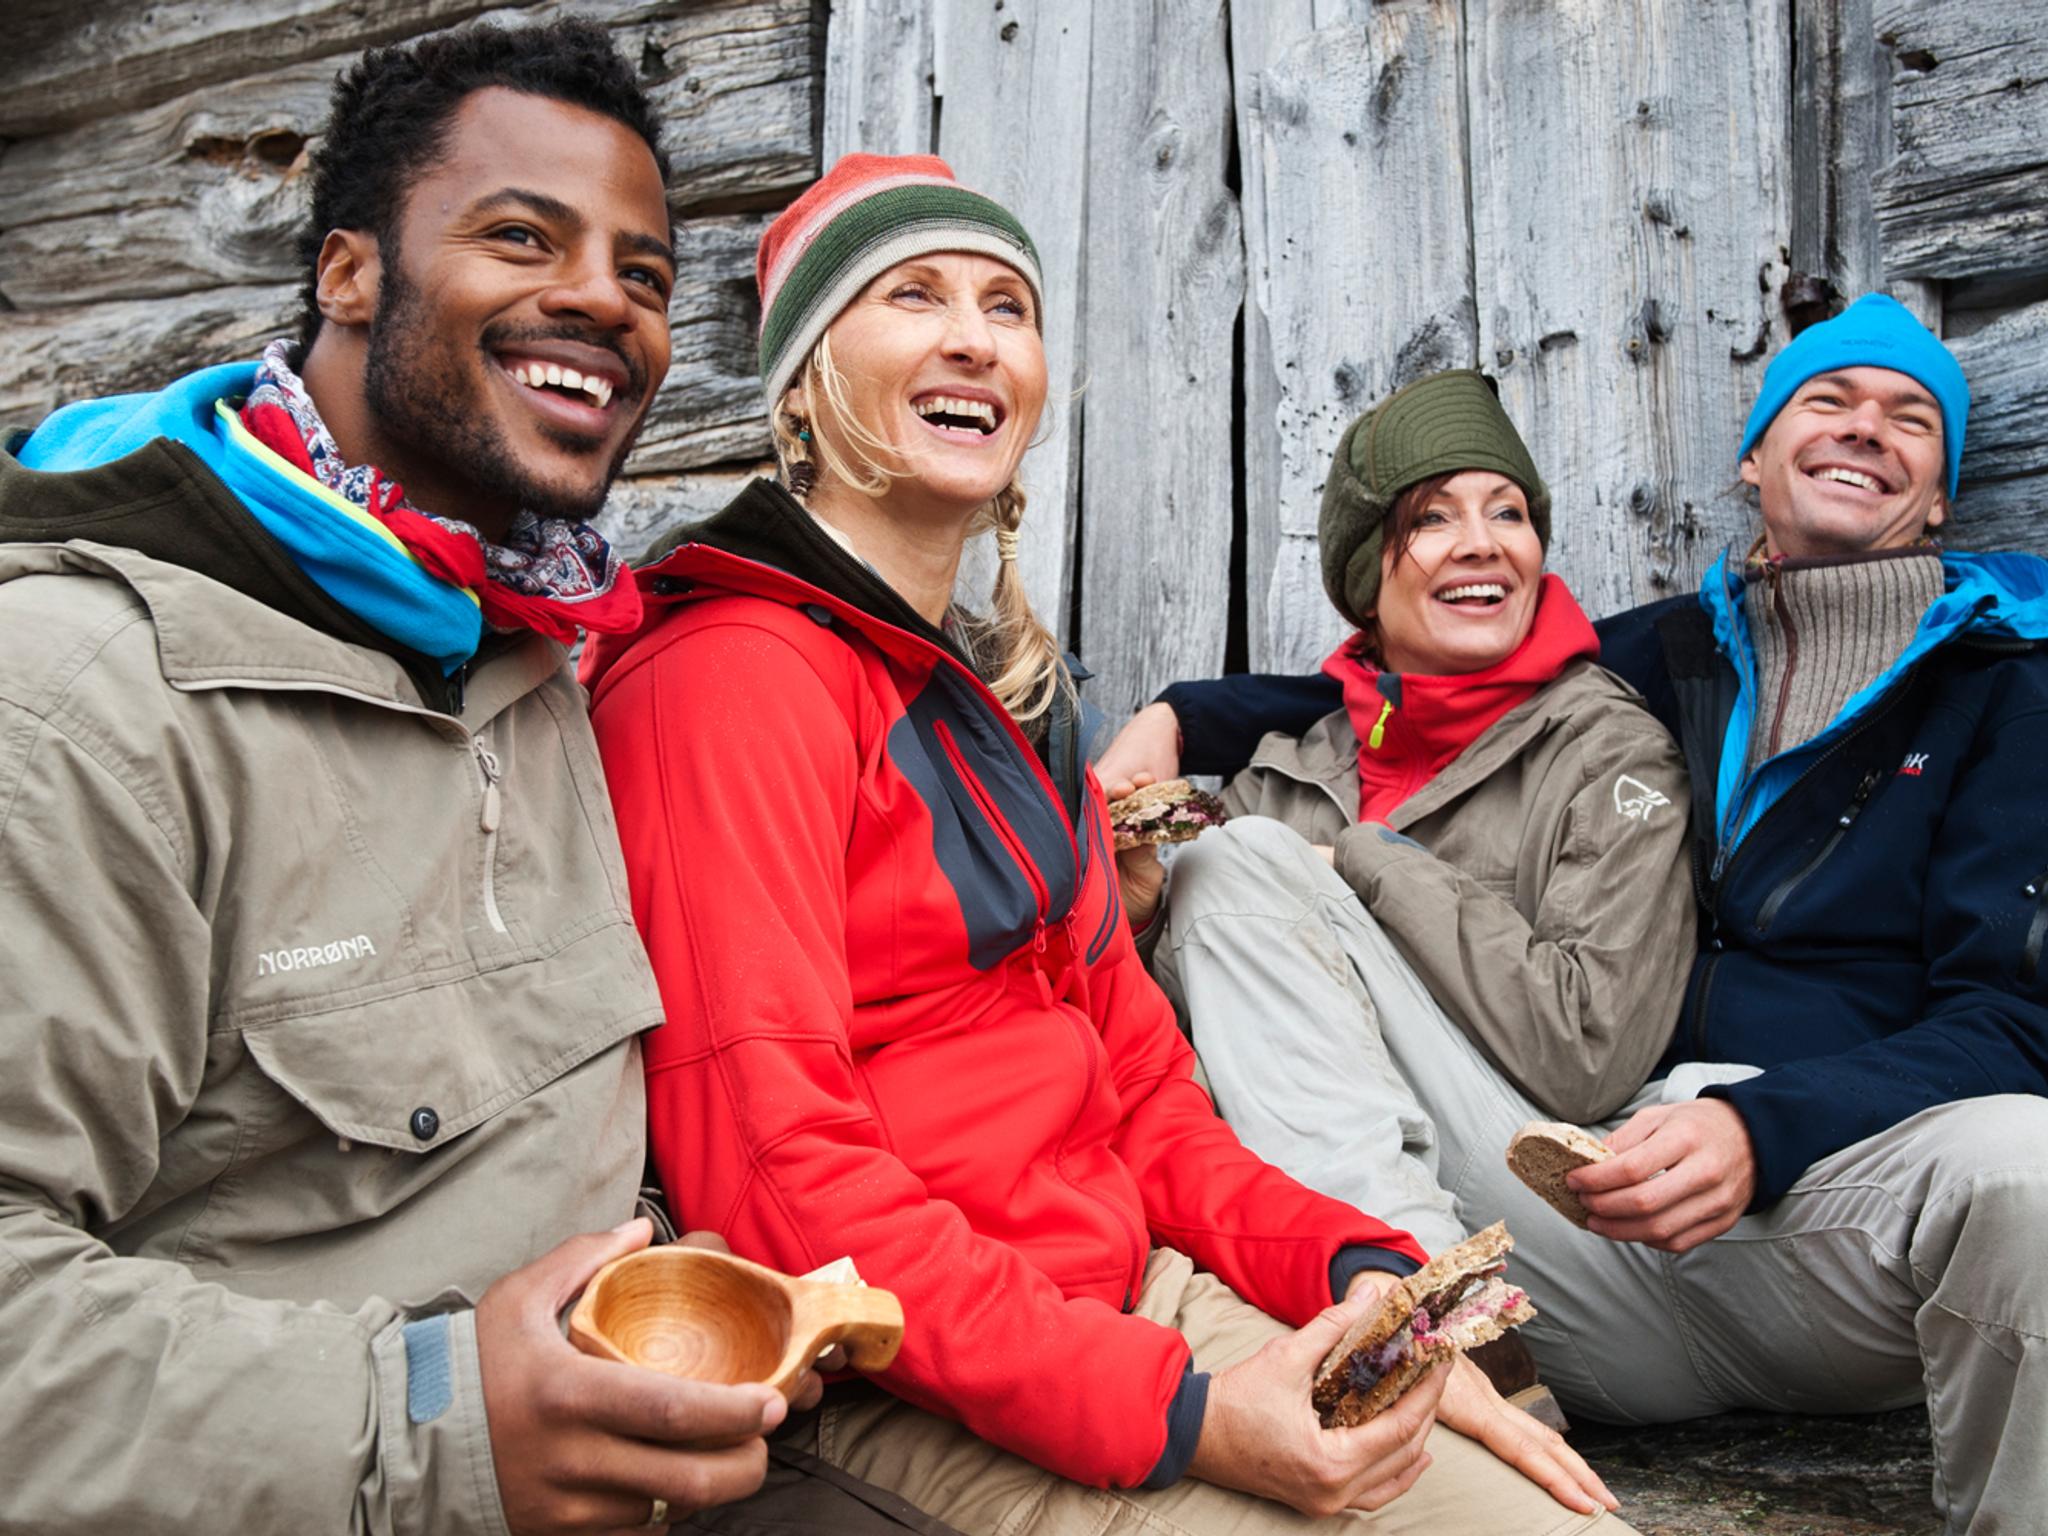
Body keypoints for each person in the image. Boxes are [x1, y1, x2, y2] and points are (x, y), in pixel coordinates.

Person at [583, 153, 1632, 1536]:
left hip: (1124, 1296)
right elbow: (781, 1173)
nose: (974, 334)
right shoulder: (728, 676)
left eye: (1008, 306)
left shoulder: (1011, 704)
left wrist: (1356, 1272)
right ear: (808, 386)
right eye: (913, 296)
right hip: (904, 1373)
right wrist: (1188, 1414)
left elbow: (1144, 1094)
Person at [0, 24, 950, 1536]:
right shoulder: (83, 698)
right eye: (523, 236)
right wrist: (429, 1426)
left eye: (643, 276)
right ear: (348, 273)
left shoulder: (535, 660)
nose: (600, 300)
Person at [1101, 295, 2048, 1535]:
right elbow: (1431, 662)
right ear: (1751, 458)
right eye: (1827, 399)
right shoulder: (1668, 653)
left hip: (1829, 1209)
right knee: (1239, 871)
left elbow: (2014, 1021)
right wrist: (1183, 714)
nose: (1866, 428)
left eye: (1909, 418)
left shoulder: (2005, 696)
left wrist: (1762, 1126)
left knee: (2027, 1166)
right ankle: (1439, 1355)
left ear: (1936, 496)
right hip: (1587, 1214)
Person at [1120, 371, 1693, 1361]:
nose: (1482, 542)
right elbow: (1178, 1057)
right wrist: (1133, 919)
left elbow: (1585, 1049)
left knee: (1236, 862)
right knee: (1219, 866)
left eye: (1507, 512)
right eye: (1432, 518)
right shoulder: (1289, 772)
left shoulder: (1607, 751)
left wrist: (1360, 863)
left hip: (1539, 1211)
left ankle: (1421, 1321)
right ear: (1364, 576)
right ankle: (1387, 1306)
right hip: (1307, 1232)